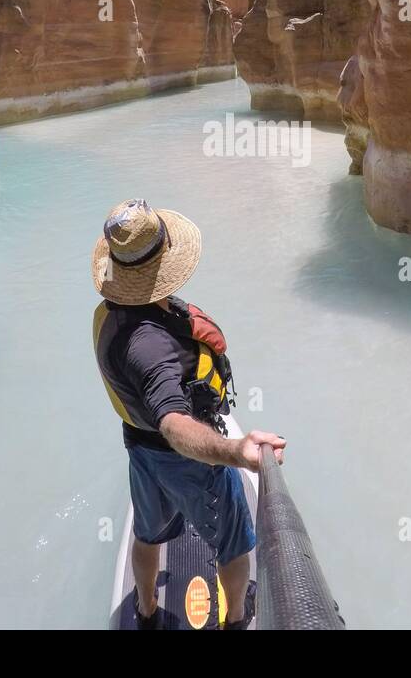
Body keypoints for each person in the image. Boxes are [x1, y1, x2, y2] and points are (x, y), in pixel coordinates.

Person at [91, 198, 285, 630]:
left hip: (140, 449)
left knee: (147, 533)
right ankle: (235, 618)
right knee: (234, 548)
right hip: (186, 459)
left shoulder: (110, 315)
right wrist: (235, 451)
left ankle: (146, 612)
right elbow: (174, 424)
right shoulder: (151, 347)